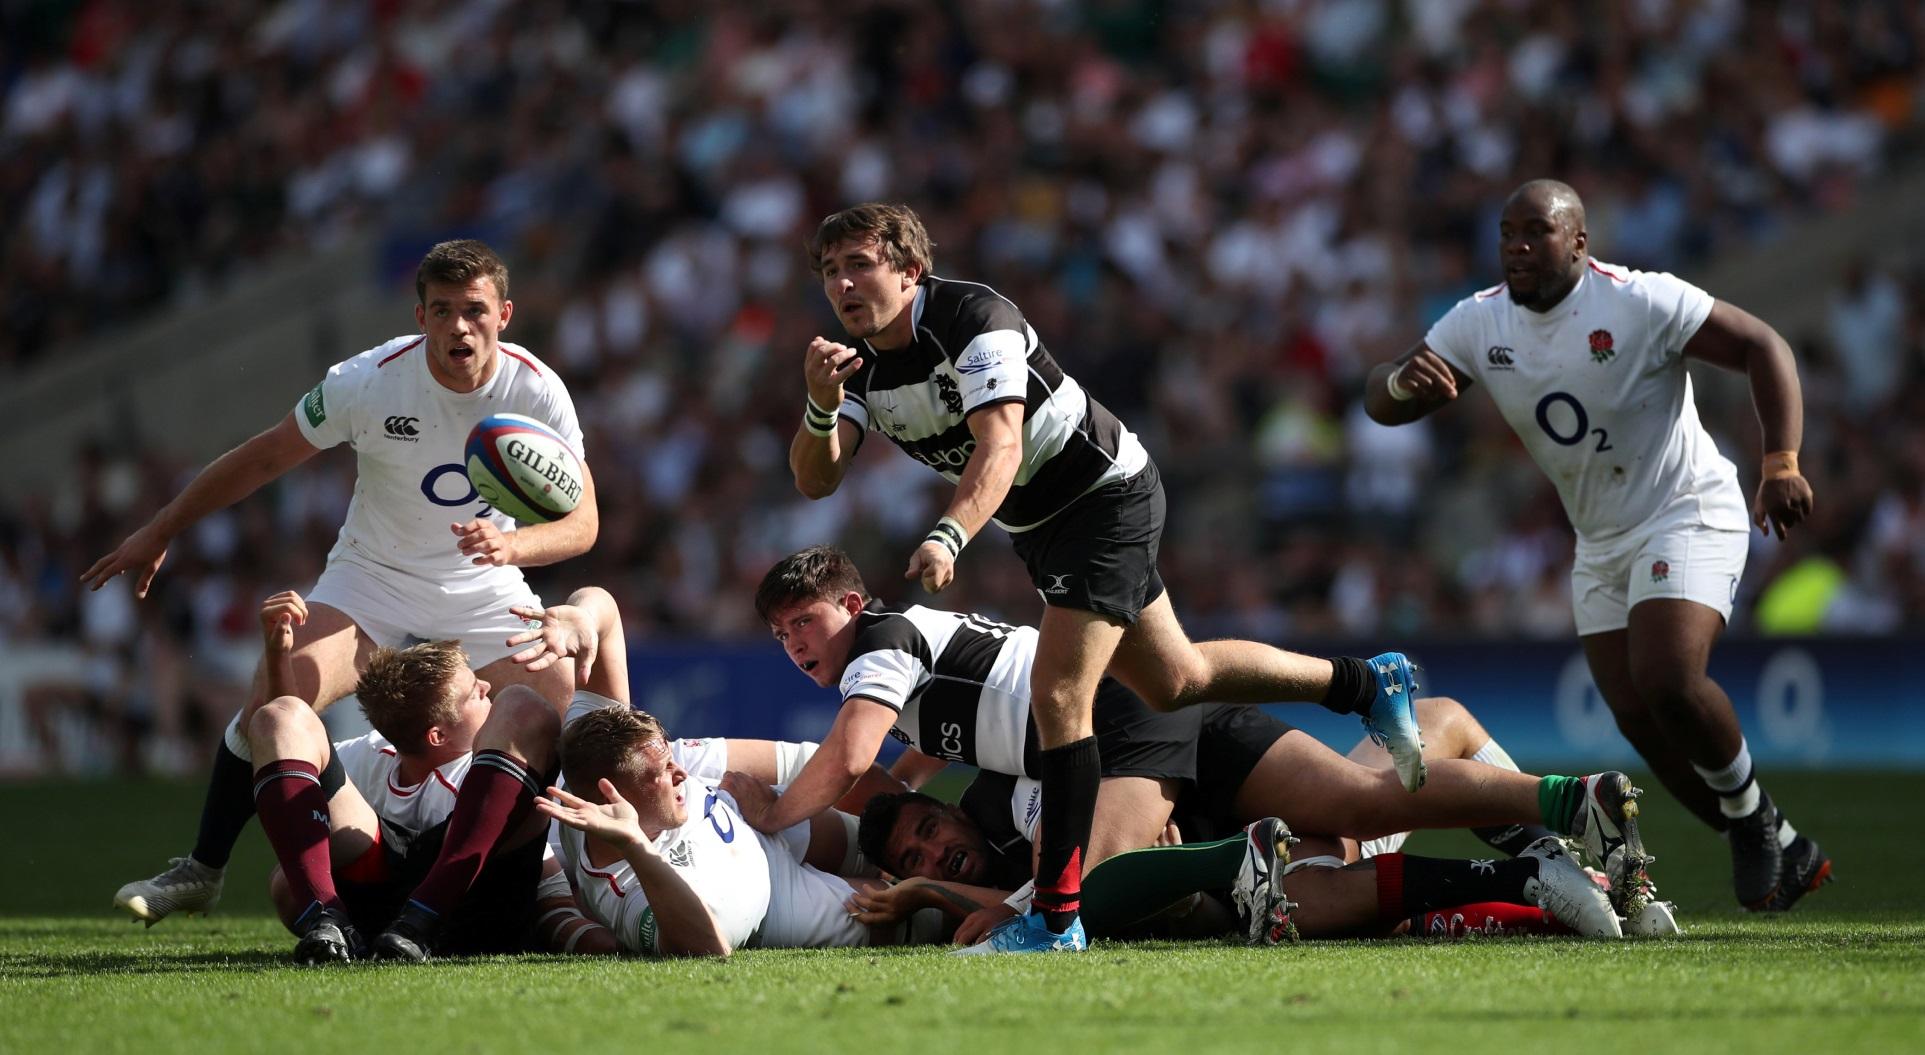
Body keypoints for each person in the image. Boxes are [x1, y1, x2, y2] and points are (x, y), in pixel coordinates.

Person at [789, 203, 1425, 953]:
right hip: (1041, 529)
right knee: (1177, 679)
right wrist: (821, 409)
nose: (842, 283)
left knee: (1060, 694)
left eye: (859, 264)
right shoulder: (856, 367)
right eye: (830, 271)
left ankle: (1057, 919)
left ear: (909, 270)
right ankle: (1366, 683)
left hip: (1105, 494)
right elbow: (816, 480)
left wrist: (949, 533)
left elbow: (1000, 446)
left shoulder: (972, 317)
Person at [729, 545, 1652, 936]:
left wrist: (770, 818)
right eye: (780, 634)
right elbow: (910, 756)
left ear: (852, 603)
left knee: (1084, 888)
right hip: (1140, 715)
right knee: (1361, 802)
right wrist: (896, 814)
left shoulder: (878, 647)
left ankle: (1234, 863)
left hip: (1115, 721)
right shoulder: (902, 663)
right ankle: (1568, 802)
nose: (796, 643)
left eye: (805, 620)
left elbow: (848, 758)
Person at [93, 240, 598, 926]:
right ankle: (203, 869)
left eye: (474, 310)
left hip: (484, 580)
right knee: (277, 696)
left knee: (553, 707)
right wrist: (162, 528)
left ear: (503, 314)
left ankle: (549, 880)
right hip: (374, 575)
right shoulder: (368, 380)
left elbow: (583, 521)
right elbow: (266, 456)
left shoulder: (535, 390)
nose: (458, 326)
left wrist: (514, 544)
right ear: (420, 316)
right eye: (442, 310)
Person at [1363, 179, 1829, 911]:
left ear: (1579, 241)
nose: (1517, 247)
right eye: (1506, 233)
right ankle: (1777, 838)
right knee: (1636, 713)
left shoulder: (1638, 300)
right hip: (1599, 537)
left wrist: (1780, 462)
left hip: (1684, 508)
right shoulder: (1479, 321)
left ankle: (1751, 817)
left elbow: (1761, 345)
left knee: (1666, 676)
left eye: (1536, 232)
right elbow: (1381, 399)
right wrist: (1398, 383)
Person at [246, 591, 612, 962]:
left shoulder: (503, 769)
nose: (487, 687)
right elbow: (290, 755)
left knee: (523, 704)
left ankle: (422, 918)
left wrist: (568, 924)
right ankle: (325, 918)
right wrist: (278, 657)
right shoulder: (375, 754)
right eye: (473, 692)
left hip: (472, 906)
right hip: (378, 907)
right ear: (436, 736)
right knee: (278, 716)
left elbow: (547, 875)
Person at [538, 704, 938, 956]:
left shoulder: (599, 756)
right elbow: (708, 949)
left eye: (672, 758)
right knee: (929, 914)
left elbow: (605, 617)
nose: (681, 773)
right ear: (611, 796)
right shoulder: (625, 889)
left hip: (762, 824)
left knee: (910, 843)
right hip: (776, 907)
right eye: (661, 772)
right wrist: (637, 846)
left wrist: (584, 614)